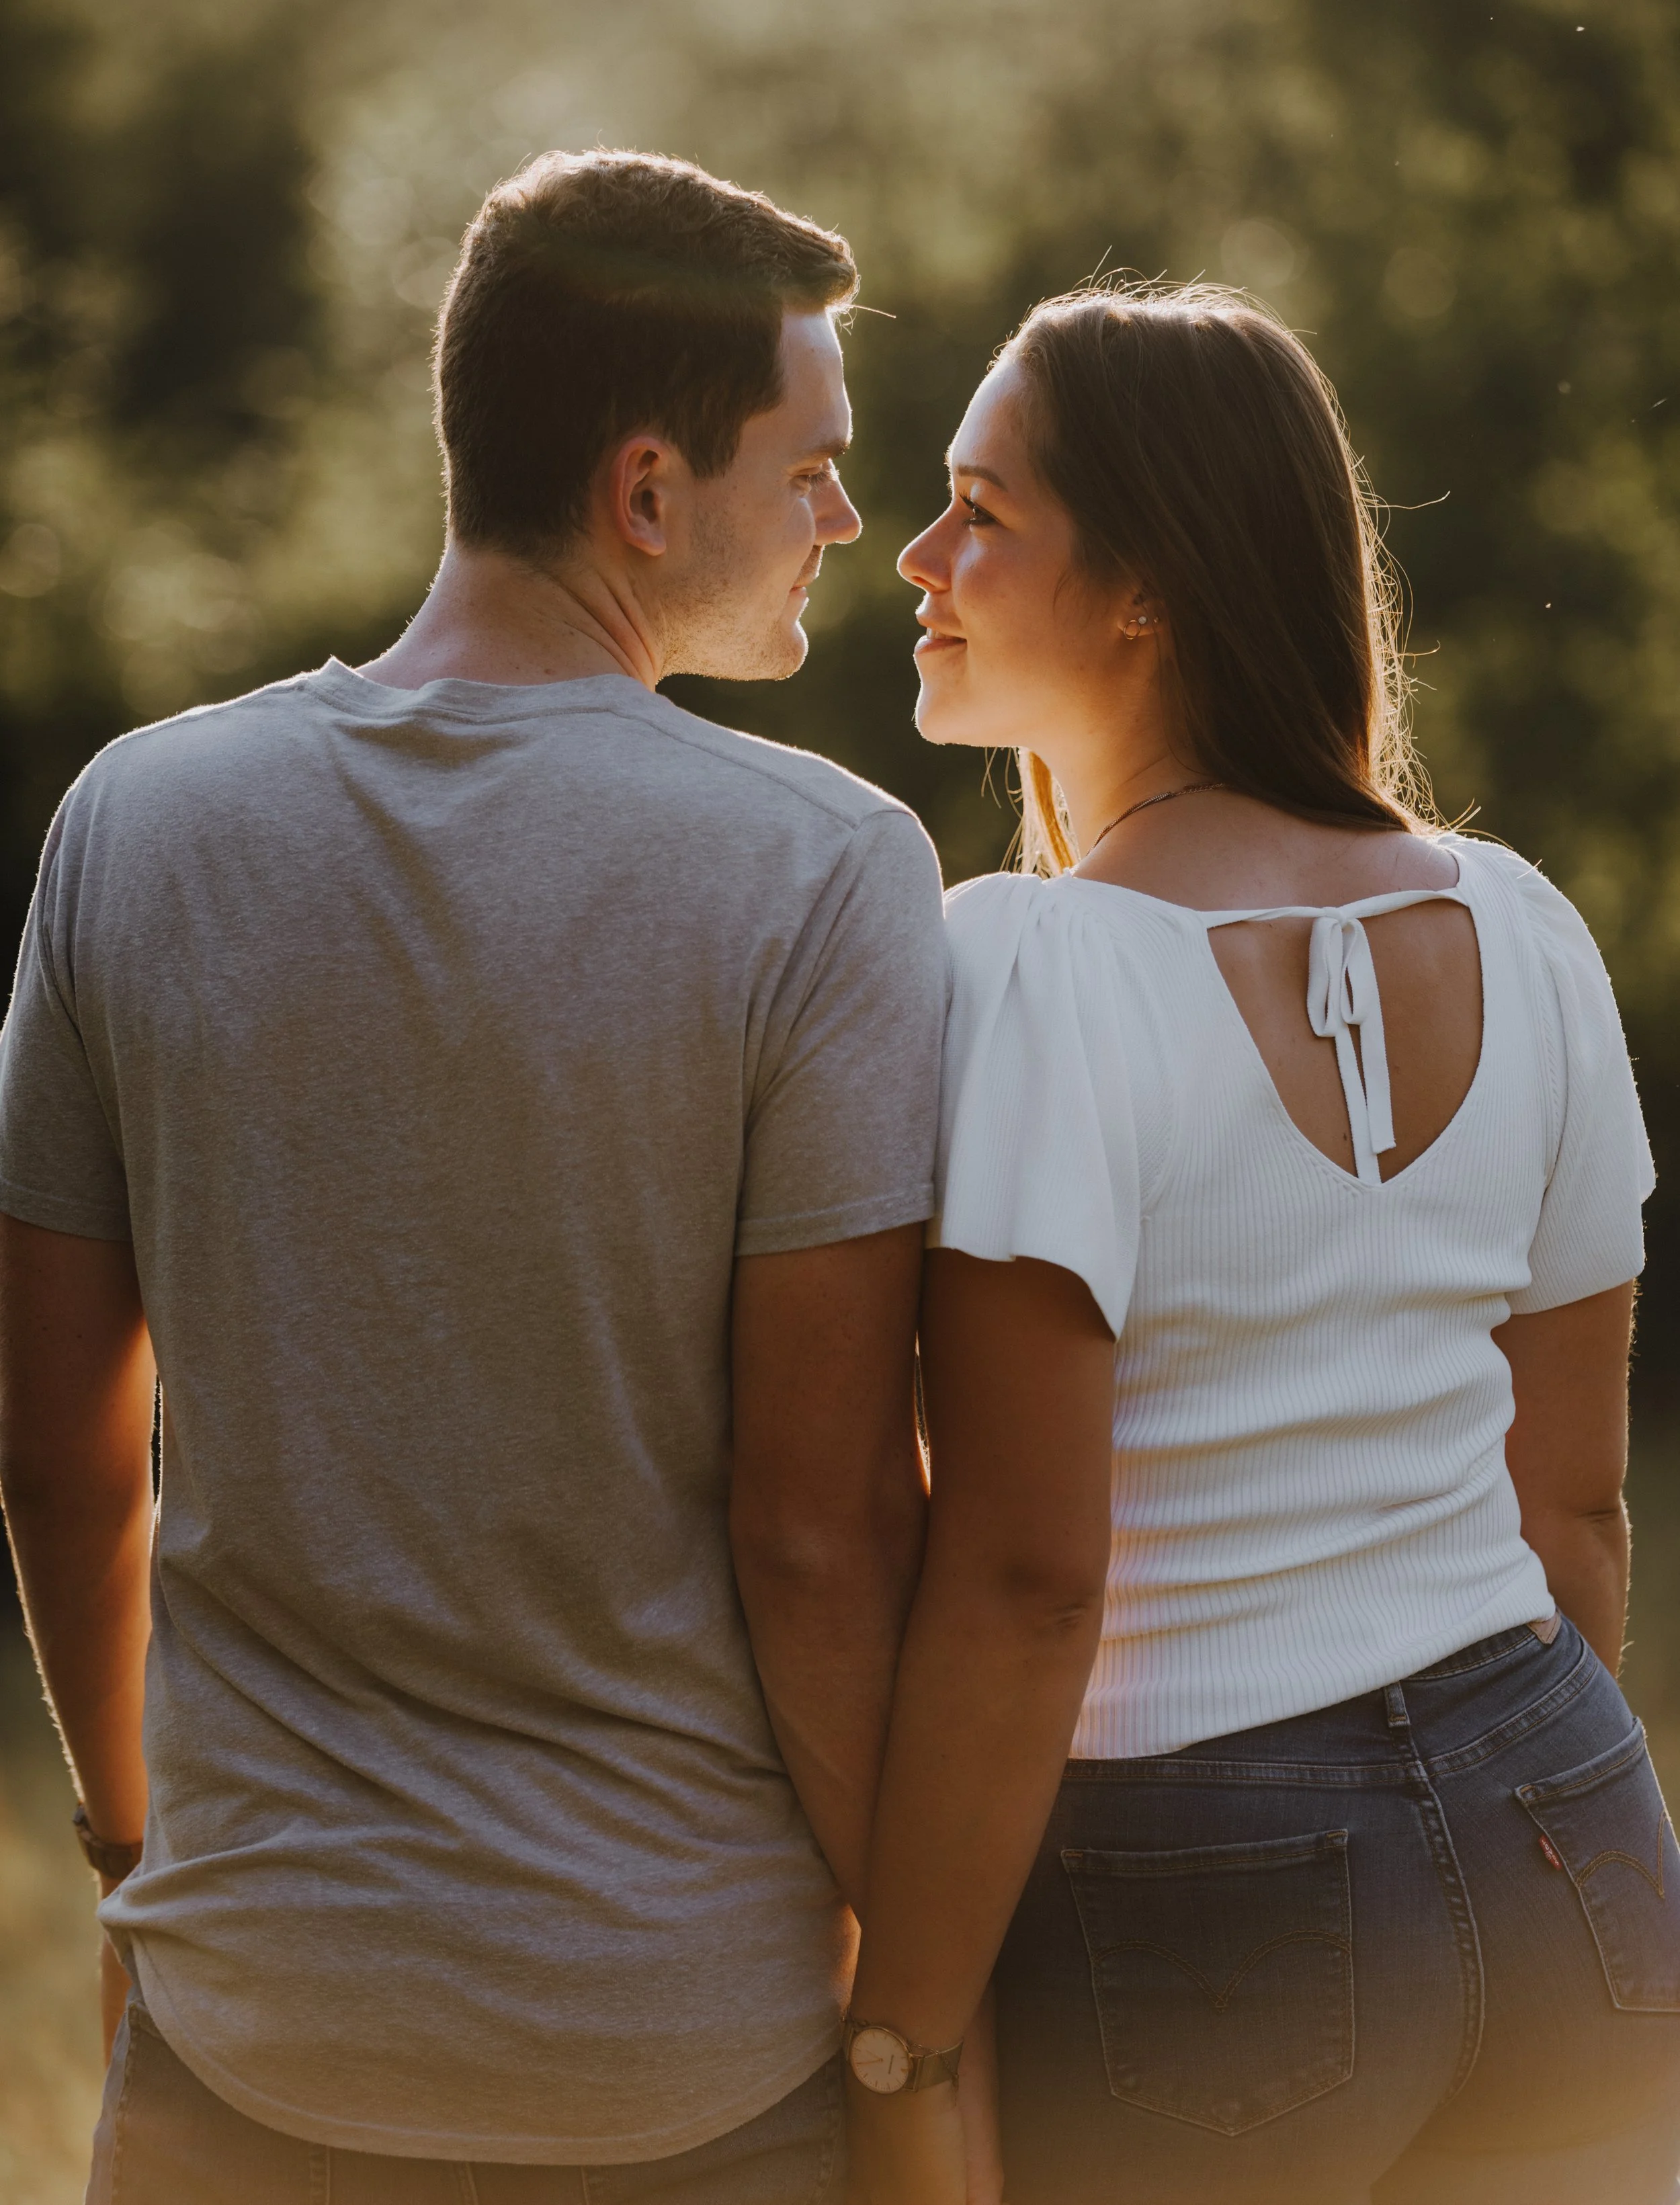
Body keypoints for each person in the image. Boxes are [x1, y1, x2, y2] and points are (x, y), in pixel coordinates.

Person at [0, 149, 948, 2201]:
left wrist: (131, 1849)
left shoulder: (135, 824)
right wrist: (921, 1984)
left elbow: (65, 1451)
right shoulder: (822, 871)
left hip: (246, 2035)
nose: (847, 522)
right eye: (807, 468)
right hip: (678, 2060)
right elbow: (819, 1527)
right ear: (641, 491)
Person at [842, 284, 1677, 2205]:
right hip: (1568, 1820)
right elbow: (1573, 1510)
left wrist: (904, 2043)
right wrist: (1498, 1827)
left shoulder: (1027, 966)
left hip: (1208, 1881)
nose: (918, 552)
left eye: (981, 509)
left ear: (1142, 591)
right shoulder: (1528, 925)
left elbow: (1029, 1580)